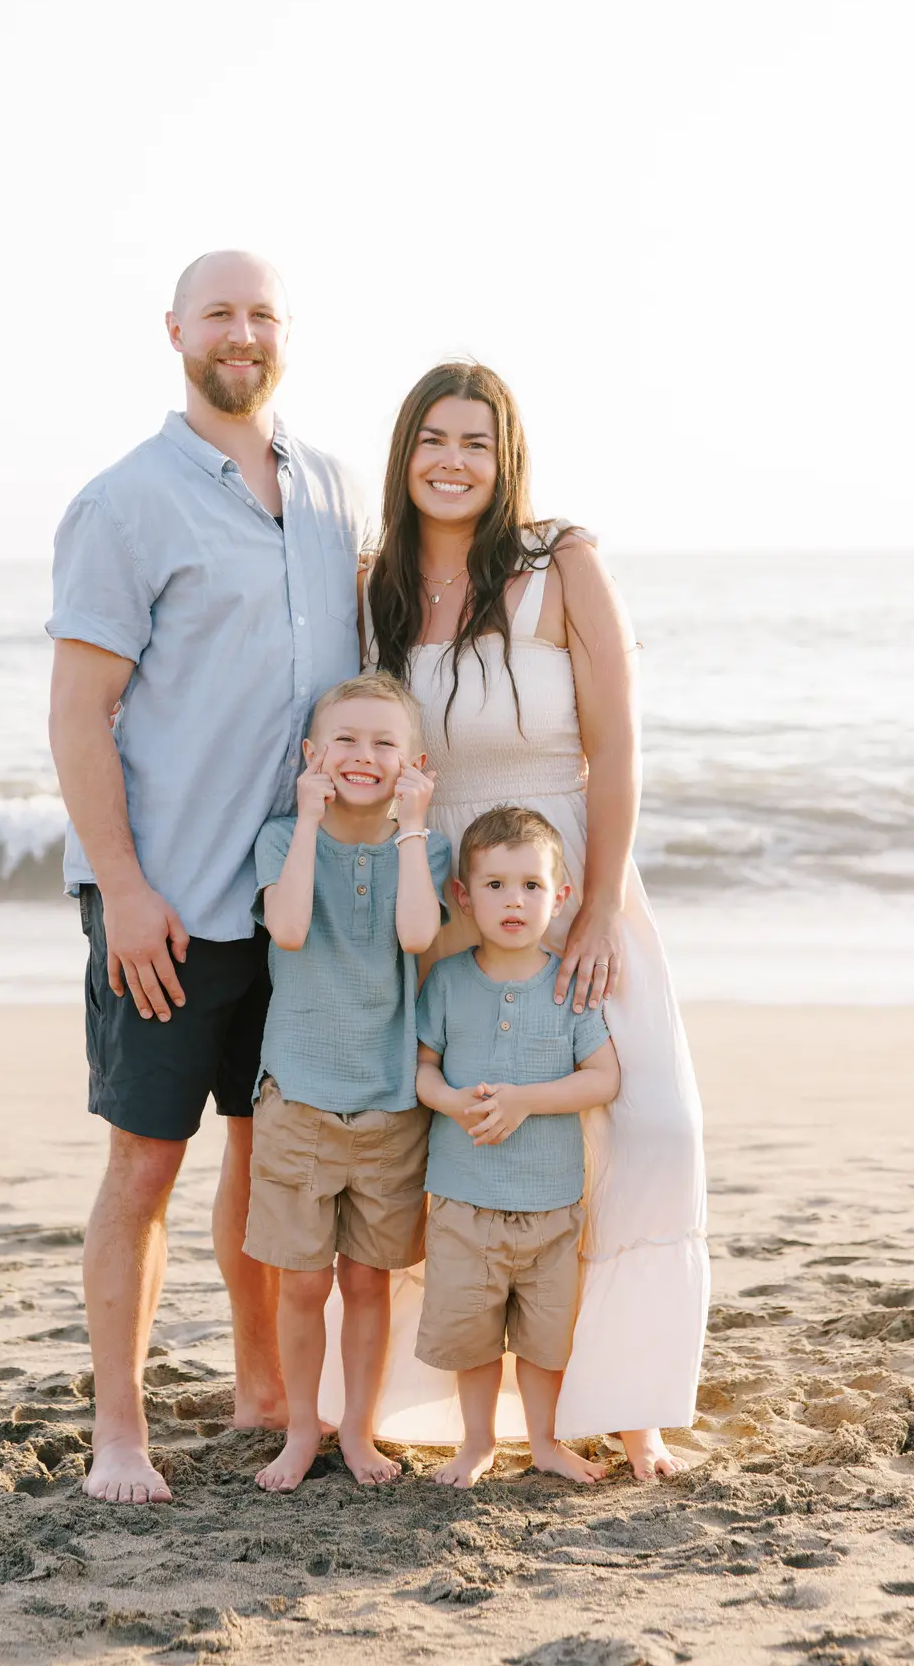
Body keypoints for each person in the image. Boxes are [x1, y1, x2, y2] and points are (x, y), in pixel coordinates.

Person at [320, 358, 708, 1481]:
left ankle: (629, 1402)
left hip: (563, 872)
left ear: (507, 458)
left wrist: (597, 906)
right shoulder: (374, 585)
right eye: (432, 439)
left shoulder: (560, 562)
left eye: (475, 442)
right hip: (435, 881)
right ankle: (444, 1405)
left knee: (648, 1124)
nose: (453, 462)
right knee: (442, 1137)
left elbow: (618, 747)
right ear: (404, 455)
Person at [46, 250, 365, 1505]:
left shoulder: (331, 488)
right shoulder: (123, 503)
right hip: (166, 896)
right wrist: (123, 888)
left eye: (261, 312)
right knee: (144, 1165)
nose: (242, 331)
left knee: (264, 1149)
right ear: (174, 329)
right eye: (218, 312)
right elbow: (79, 712)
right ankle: (118, 1433)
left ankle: (262, 1392)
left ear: (286, 332)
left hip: (293, 902)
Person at [247, 674, 451, 1492]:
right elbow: (290, 929)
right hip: (297, 1096)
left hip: (389, 1101)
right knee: (303, 1281)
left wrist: (412, 829)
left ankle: (359, 1432)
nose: (364, 756)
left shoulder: (425, 848)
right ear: (312, 755)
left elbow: (417, 934)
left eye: (385, 743)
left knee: (369, 1281)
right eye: (346, 740)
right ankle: (303, 1430)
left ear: (415, 764)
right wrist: (307, 820)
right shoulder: (280, 839)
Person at [415, 805, 621, 1488]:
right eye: (496, 885)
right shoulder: (448, 981)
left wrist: (527, 1099)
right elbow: (421, 1070)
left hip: (551, 1206)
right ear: (463, 896)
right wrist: (452, 1101)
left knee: (544, 1338)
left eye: (532, 886)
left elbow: (604, 1077)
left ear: (560, 898)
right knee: (473, 1335)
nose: (514, 901)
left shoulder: (569, 987)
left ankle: (544, 1444)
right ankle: (477, 1443)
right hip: (462, 1201)